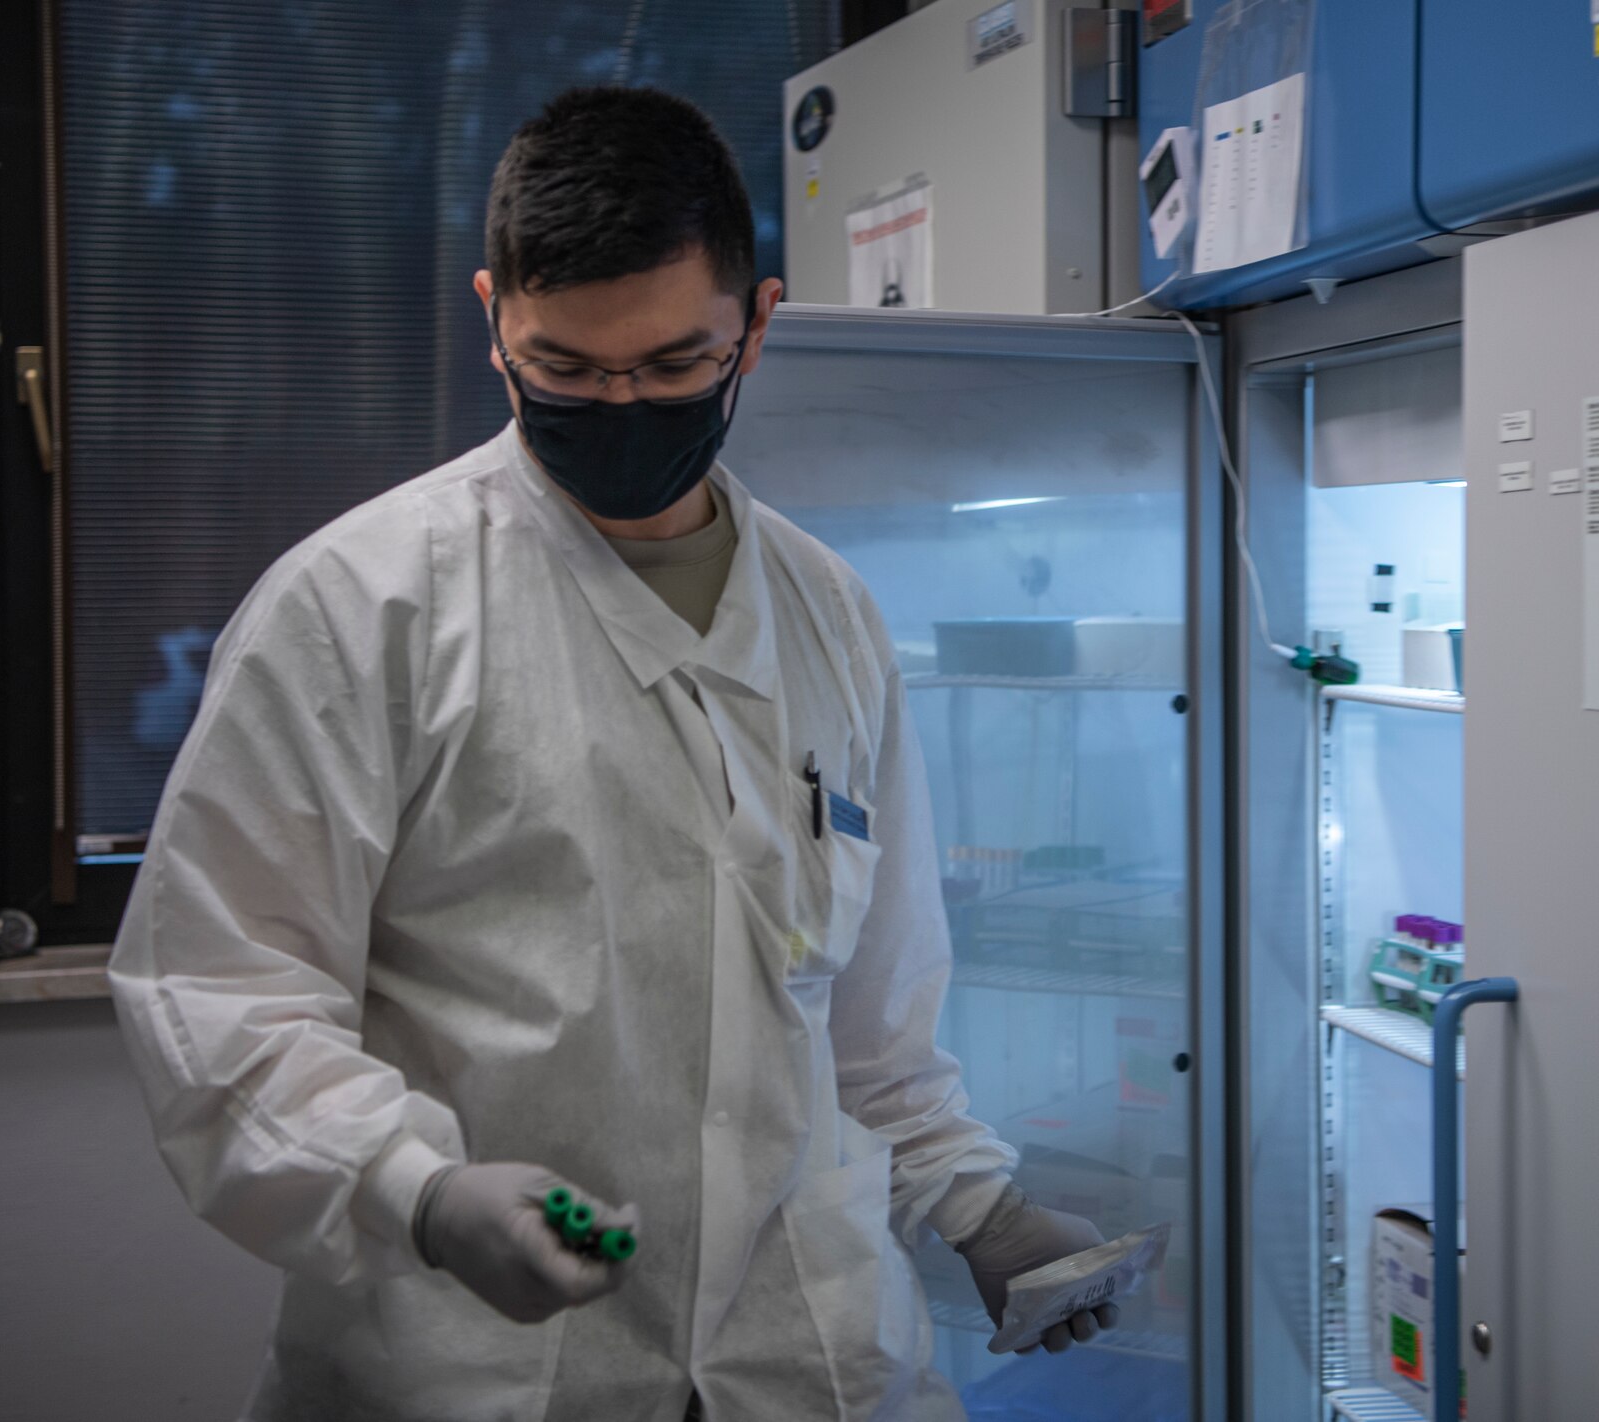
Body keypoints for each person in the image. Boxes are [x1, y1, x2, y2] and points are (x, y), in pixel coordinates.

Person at [109, 85, 1117, 1421]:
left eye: (670, 365)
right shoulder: (362, 609)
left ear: (755, 323)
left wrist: (982, 1209)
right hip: (472, 1371)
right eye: (568, 370)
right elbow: (221, 987)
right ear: (493, 322)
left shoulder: (829, 614)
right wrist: (419, 1187)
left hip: (801, 1359)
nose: (620, 404)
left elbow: (872, 1027)